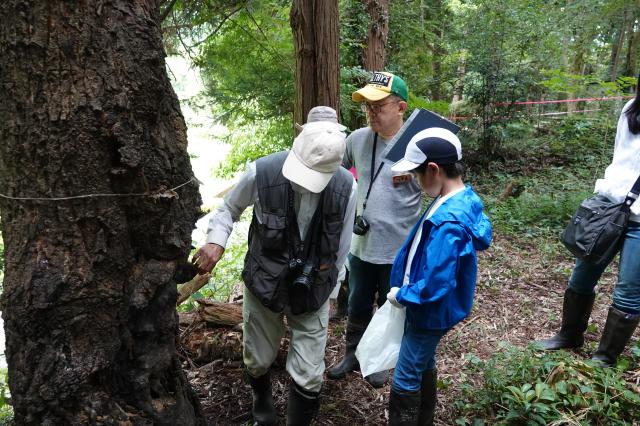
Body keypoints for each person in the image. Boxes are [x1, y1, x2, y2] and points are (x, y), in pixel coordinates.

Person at [193, 106, 357, 426]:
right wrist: (216, 241)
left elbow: (342, 247)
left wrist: (331, 291)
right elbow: (228, 209)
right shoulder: (263, 171)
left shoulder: (345, 186)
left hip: (314, 287)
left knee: (310, 372)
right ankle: (263, 410)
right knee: (257, 358)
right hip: (264, 282)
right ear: (299, 140)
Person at [385, 127, 492, 425]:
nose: (417, 182)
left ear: (433, 169)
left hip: (428, 310)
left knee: (405, 375)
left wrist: (403, 294)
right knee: (423, 360)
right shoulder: (459, 198)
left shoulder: (449, 221)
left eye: (418, 175)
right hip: (429, 308)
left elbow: (435, 283)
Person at [536, 75, 640, 367]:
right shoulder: (631, 109)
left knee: (629, 291)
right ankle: (569, 335)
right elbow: (621, 157)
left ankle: (605, 358)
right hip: (610, 206)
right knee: (582, 276)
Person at [327, 71, 423, 388]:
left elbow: (440, 186)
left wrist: (417, 177)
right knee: (357, 304)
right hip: (361, 245)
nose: (372, 114)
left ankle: (377, 361)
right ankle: (352, 355)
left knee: (389, 307)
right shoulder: (356, 139)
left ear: (401, 108)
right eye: (368, 107)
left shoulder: (417, 144)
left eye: (378, 106)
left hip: (398, 248)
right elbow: (334, 173)